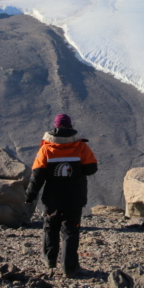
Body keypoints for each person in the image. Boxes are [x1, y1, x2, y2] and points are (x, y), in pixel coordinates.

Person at [24, 113, 98, 277]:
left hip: (53, 198)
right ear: (70, 126)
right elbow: (91, 169)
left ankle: (49, 259)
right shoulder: (81, 147)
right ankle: (69, 267)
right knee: (71, 231)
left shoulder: (46, 149)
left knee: (50, 226)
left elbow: (37, 177)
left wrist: (29, 197)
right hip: (75, 198)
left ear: (55, 128)